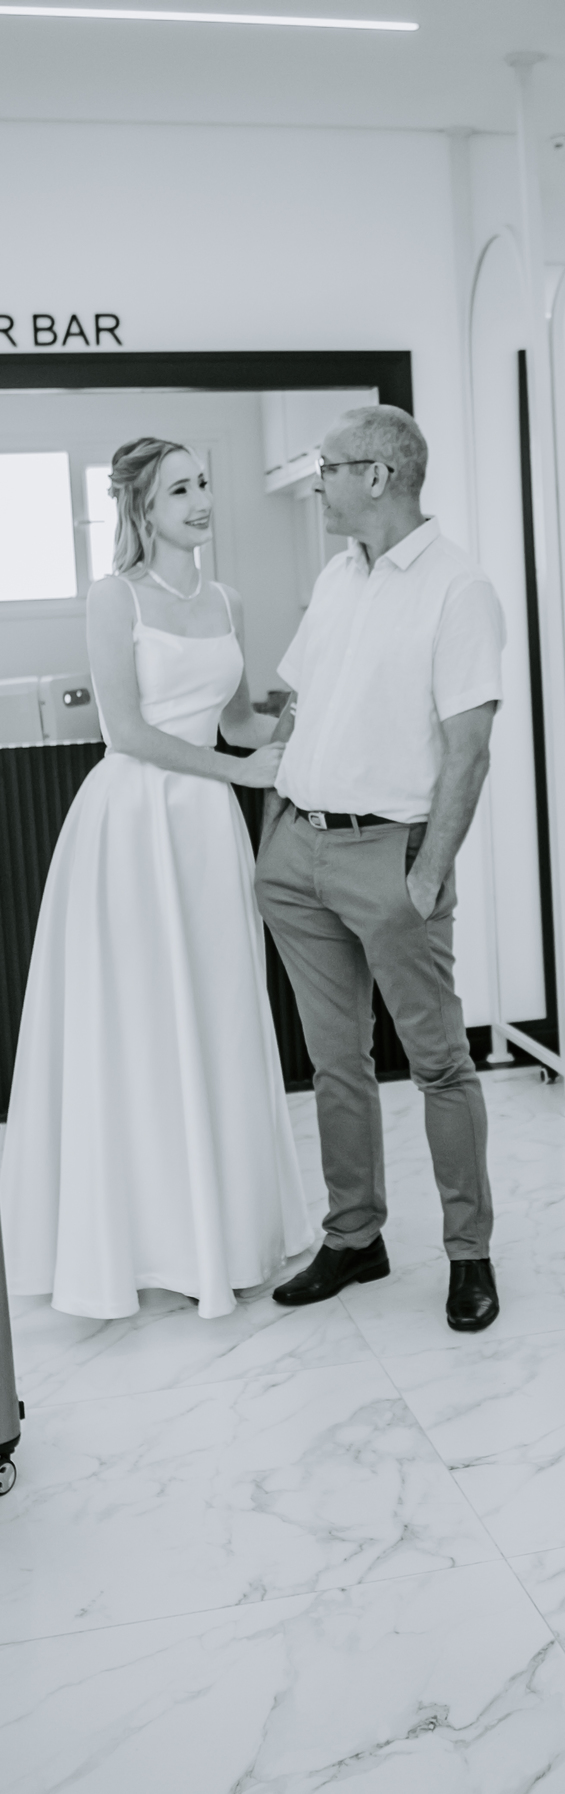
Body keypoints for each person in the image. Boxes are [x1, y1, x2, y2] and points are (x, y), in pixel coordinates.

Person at [0, 438, 313, 1319]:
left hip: (207, 830)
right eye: (180, 490)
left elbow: (239, 721)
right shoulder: (115, 599)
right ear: (141, 507)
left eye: (203, 484)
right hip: (134, 823)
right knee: (139, 1021)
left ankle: (225, 1231)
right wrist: (240, 772)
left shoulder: (227, 600)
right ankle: (147, 1242)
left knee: (215, 1012)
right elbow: (130, 732)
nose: (201, 500)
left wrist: (312, 716)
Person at [256, 405, 505, 1332]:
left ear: (378, 475)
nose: (317, 482)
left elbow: (469, 751)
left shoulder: (459, 588)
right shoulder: (337, 575)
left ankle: (469, 1253)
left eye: (326, 467)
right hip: (299, 853)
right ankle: (354, 1236)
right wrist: (276, 827)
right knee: (336, 1064)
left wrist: (428, 875)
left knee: (439, 1065)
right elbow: (300, 704)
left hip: (390, 857)